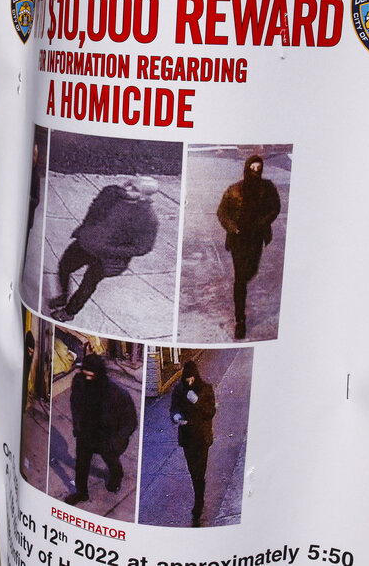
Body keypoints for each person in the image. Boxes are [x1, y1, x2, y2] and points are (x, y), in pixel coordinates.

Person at [49, 176, 159, 323]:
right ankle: (63, 295)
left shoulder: (148, 218)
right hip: (87, 243)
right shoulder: (111, 193)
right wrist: (87, 229)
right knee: (64, 266)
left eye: (134, 189)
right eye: (129, 183)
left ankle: (69, 312)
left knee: (88, 284)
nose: (127, 188)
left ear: (144, 196)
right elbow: (94, 207)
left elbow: (143, 247)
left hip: (108, 259)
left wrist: (110, 250)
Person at [216, 155, 280, 339]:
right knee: (240, 280)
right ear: (246, 168)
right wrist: (233, 228)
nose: (255, 171)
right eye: (252, 167)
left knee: (251, 271)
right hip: (239, 239)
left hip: (256, 238)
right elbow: (222, 211)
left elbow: (275, 207)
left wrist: (262, 223)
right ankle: (240, 321)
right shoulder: (234, 190)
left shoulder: (267, 188)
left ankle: (245, 280)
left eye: (258, 168)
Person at [64, 354, 137, 506]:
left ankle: (116, 477)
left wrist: (118, 439)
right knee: (81, 464)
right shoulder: (79, 383)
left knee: (111, 460)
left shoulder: (116, 393)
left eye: (91, 376)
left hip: (106, 436)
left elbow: (131, 420)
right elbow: (75, 404)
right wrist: (77, 425)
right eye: (85, 375)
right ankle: (81, 492)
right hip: (86, 432)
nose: (88, 379)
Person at [170, 360, 216, 527]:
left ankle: (199, 502)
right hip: (188, 437)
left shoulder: (206, 389)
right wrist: (176, 417)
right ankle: (199, 496)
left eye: (192, 378)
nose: (189, 382)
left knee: (199, 471)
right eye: (187, 378)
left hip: (202, 438)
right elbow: (173, 408)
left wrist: (197, 402)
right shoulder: (178, 390)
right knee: (193, 471)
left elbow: (210, 412)